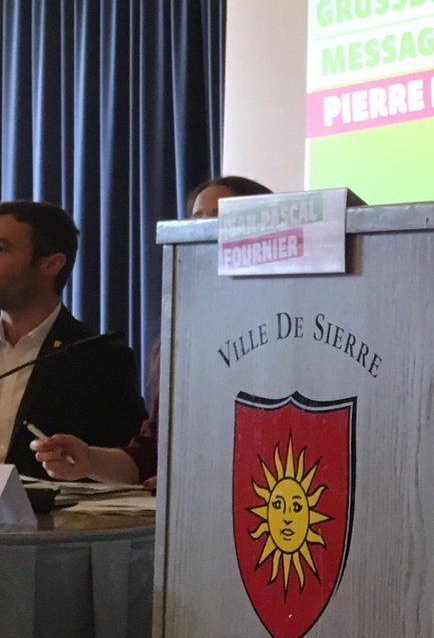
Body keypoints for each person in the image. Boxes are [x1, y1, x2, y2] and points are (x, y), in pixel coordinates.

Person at [32, 174, 273, 485]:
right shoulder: (185, 335)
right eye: (196, 221)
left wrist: (194, 479)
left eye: (219, 219)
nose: (205, 232)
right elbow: (145, 458)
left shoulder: (284, 327)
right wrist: (87, 460)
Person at [0, 200, 147, 479]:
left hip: (50, 505)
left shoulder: (100, 357)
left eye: (0, 248)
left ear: (51, 264)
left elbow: (129, 465)